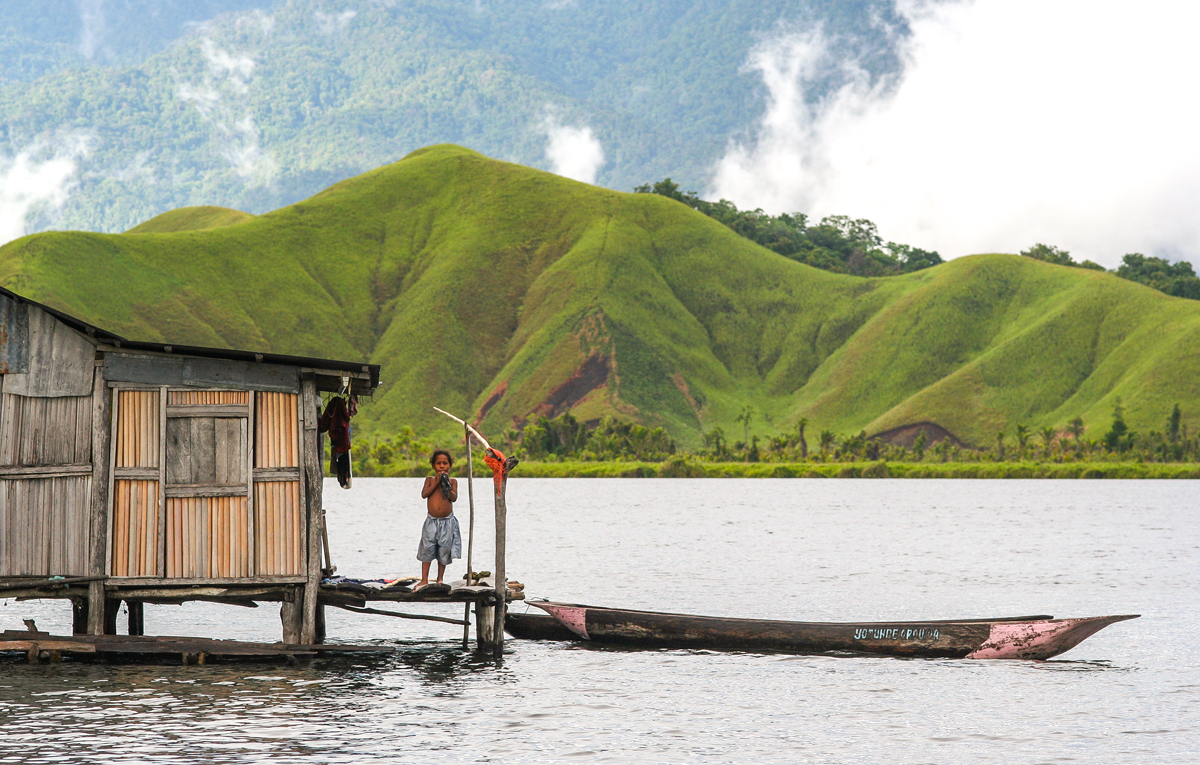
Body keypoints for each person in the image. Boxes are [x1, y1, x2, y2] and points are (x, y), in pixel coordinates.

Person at [416, 449, 461, 587]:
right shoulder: (429, 480)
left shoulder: (453, 481)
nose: (442, 466)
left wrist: (445, 484)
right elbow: (424, 494)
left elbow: (453, 498)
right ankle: (424, 579)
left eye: (445, 463)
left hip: (447, 522)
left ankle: (439, 579)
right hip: (431, 521)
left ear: (450, 466)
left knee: (444, 549)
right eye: (438, 463)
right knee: (427, 548)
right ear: (433, 466)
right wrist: (436, 482)